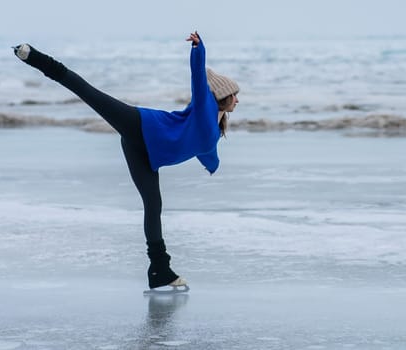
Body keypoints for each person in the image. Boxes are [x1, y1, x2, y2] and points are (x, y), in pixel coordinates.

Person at [13, 31, 239, 291]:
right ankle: (33, 56)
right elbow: (198, 79)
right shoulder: (204, 109)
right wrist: (198, 50)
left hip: (144, 155)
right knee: (88, 93)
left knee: (153, 205)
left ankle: (159, 270)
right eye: (235, 95)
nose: (238, 100)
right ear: (224, 96)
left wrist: (213, 166)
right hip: (140, 126)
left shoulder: (213, 127)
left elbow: (207, 153)